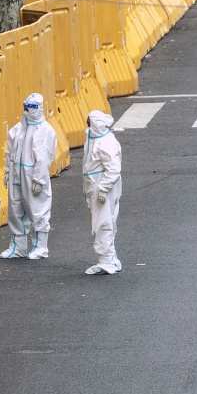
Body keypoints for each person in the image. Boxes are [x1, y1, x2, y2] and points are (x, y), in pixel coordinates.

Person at [3, 92, 61, 259]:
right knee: (15, 210)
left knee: (37, 209)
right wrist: (8, 170)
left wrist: (39, 179)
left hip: (32, 177)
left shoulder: (46, 131)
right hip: (17, 175)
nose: (27, 111)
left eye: (31, 108)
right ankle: (18, 247)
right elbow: (9, 151)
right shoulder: (19, 128)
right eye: (26, 108)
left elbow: (44, 157)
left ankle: (40, 247)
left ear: (39, 109)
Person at [81, 109, 122, 274]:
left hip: (101, 187)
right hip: (96, 186)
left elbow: (113, 169)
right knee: (103, 221)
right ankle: (110, 257)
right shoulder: (96, 138)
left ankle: (106, 260)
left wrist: (103, 189)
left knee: (103, 223)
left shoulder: (105, 143)